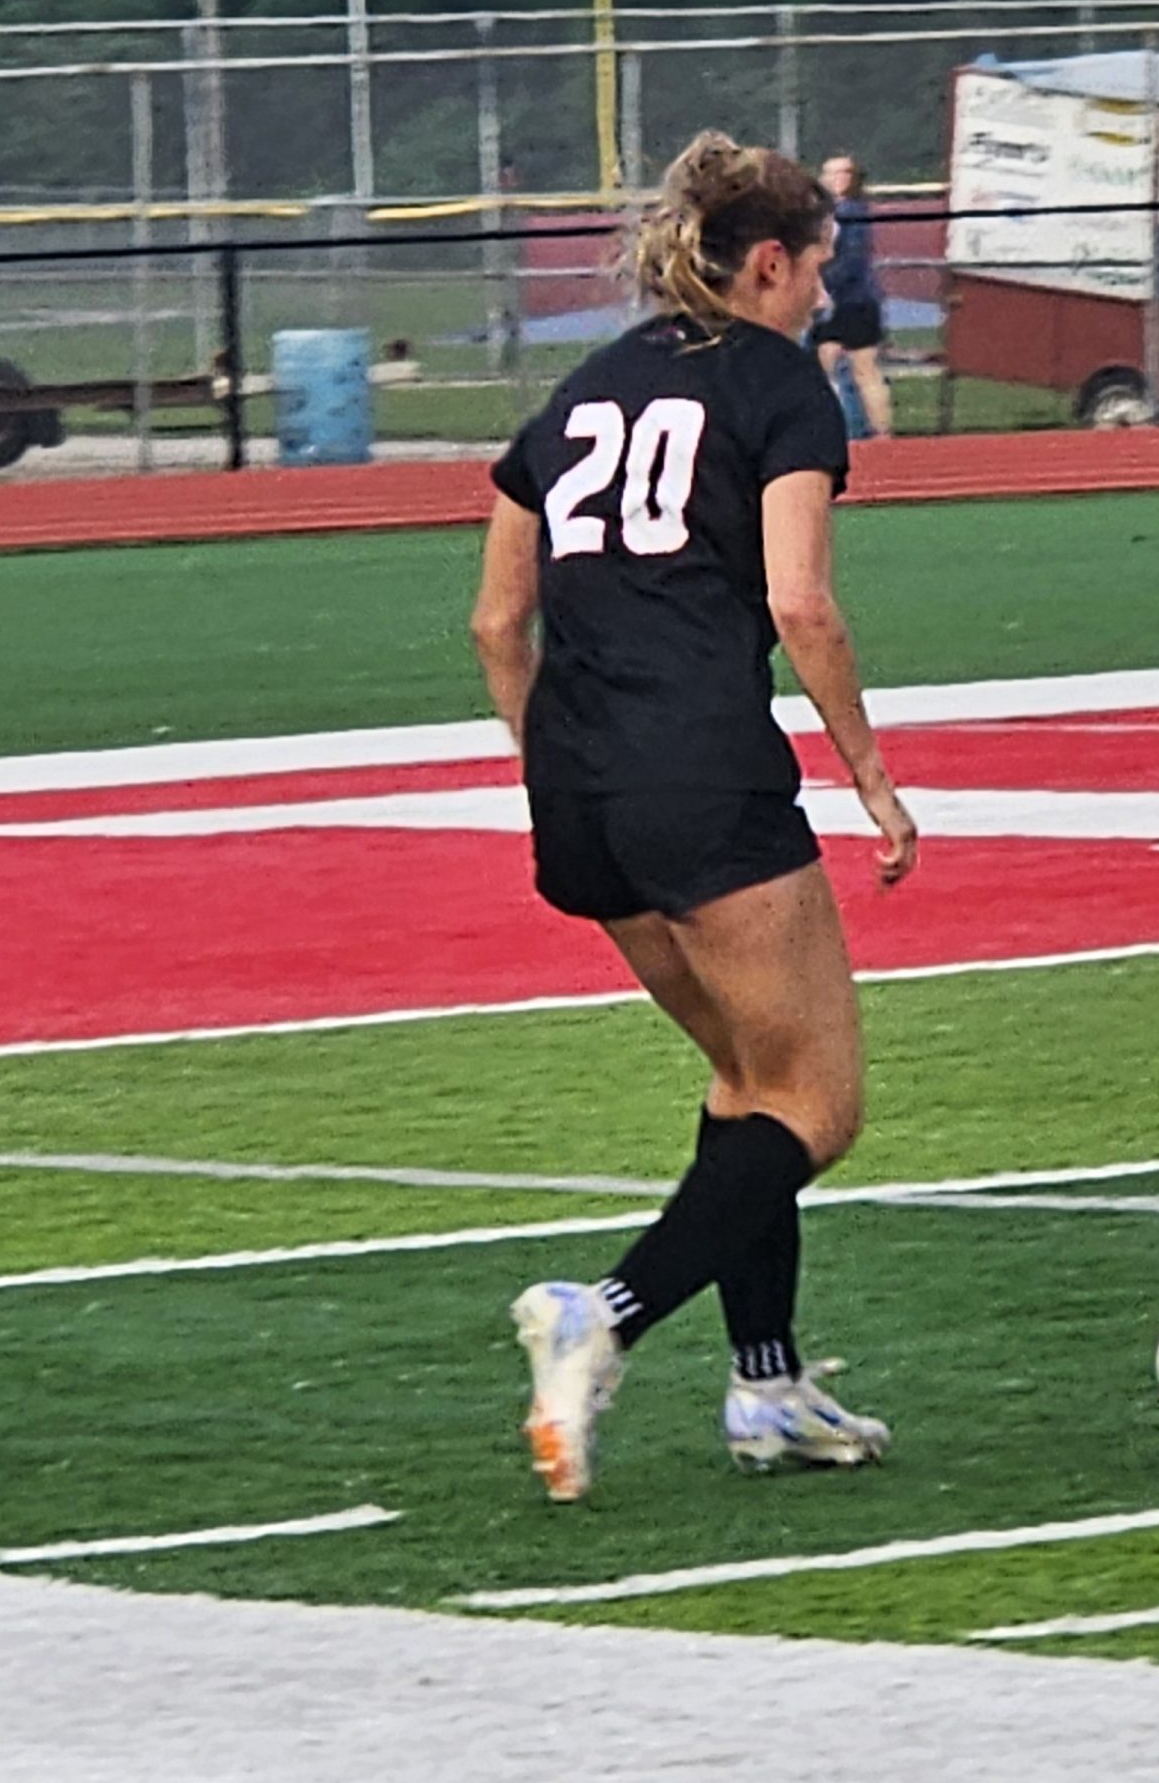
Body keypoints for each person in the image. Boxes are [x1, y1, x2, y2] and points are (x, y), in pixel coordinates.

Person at [470, 131, 919, 1502]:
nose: (824, 301)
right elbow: (800, 601)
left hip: (582, 790)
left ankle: (769, 1385)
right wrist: (871, 774)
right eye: (818, 271)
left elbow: (497, 617)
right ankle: (603, 1310)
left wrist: (560, 752)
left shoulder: (582, 388)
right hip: (702, 778)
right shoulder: (782, 387)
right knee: (820, 1100)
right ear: (769, 262)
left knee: (746, 1080)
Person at [812, 152, 894, 440]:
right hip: (837, 302)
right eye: (828, 173)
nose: (832, 179)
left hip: (854, 301)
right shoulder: (829, 214)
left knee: (864, 369)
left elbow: (852, 261)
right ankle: (845, 429)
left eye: (840, 173)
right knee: (827, 364)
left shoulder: (853, 212)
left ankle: (881, 434)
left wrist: (823, 285)